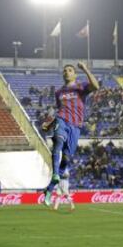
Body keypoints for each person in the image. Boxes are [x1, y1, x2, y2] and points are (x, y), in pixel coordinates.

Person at [42, 62, 99, 206]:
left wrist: (85, 69)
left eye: (69, 70)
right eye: (64, 71)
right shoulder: (58, 92)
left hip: (76, 127)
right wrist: (50, 124)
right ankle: (55, 175)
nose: (66, 72)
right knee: (58, 143)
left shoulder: (81, 87)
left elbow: (96, 86)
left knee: (66, 159)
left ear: (75, 74)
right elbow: (59, 111)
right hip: (62, 121)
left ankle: (49, 189)